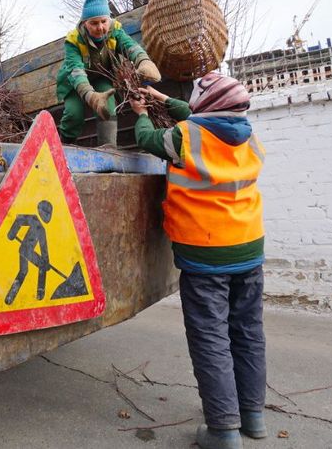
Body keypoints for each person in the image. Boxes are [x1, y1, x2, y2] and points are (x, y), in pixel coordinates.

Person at [128, 74, 266, 449]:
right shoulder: (248, 134)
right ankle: (253, 415)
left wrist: (142, 112)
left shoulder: (184, 137)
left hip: (205, 253)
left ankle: (223, 430)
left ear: (205, 106)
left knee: (211, 338)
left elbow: (147, 139)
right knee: (248, 332)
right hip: (249, 248)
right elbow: (198, 113)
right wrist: (161, 96)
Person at [55, 0, 161, 145]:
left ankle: (109, 147)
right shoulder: (73, 40)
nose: (100, 28)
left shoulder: (115, 31)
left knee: (108, 104)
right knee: (73, 114)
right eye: (94, 23)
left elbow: (130, 46)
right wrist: (90, 96)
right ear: (85, 23)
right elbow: (76, 72)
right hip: (74, 83)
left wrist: (143, 60)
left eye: (103, 21)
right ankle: (64, 145)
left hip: (101, 77)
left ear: (108, 19)